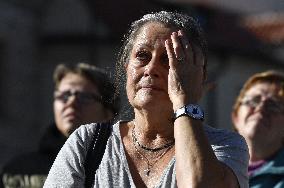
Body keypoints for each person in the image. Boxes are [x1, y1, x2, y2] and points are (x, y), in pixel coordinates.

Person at [44, 11, 249, 188]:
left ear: (197, 76)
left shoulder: (224, 146)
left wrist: (185, 102)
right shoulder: (88, 142)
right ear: (126, 68)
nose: (151, 69)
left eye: (169, 60)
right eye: (142, 55)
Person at [0, 63, 120, 188]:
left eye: (85, 97)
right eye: (64, 96)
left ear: (108, 113)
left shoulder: (125, 167)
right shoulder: (17, 172)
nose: (71, 102)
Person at [232, 70, 284, 188]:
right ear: (236, 117)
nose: (261, 107)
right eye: (254, 100)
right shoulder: (213, 165)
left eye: (273, 104)